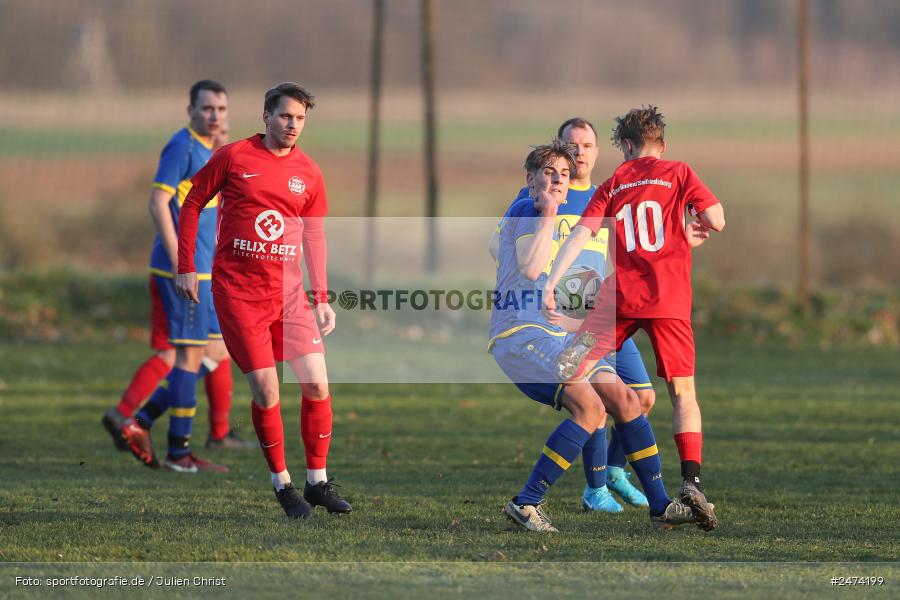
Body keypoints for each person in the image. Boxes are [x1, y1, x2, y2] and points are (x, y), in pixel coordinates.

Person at [490, 139, 698, 532]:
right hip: (520, 333)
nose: (557, 181)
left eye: (564, 175)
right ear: (530, 180)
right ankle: (526, 502)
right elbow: (532, 270)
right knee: (590, 408)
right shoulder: (526, 210)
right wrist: (549, 212)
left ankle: (660, 506)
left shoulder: (569, 222)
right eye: (548, 173)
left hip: (560, 334)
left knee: (627, 399)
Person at [174, 82, 352, 518]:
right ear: (266, 116)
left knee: (316, 384)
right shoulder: (234, 157)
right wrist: (185, 266)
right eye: (286, 116)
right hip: (238, 295)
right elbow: (193, 201)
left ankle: (317, 482)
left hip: (290, 298)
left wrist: (322, 296)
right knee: (268, 390)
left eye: (300, 119)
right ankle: (283, 485)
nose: (293, 125)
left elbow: (314, 233)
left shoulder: (309, 172)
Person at [544, 106, 724, 531]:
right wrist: (689, 228)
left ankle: (571, 475)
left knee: (570, 369)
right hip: (670, 301)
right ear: (661, 143)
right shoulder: (679, 172)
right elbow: (716, 219)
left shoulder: (615, 182)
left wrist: (553, 282)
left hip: (619, 299)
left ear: (625, 145)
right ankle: (691, 482)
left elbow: (582, 235)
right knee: (683, 394)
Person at [504, 118, 660, 513]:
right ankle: (594, 488)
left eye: (586, 146)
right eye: (571, 146)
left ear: (596, 152)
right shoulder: (536, 201)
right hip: (554, 324)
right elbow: (512, 254)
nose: (578, 153)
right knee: (592, 403)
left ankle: (622, 477)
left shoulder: (605, 197)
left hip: (596, 320)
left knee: (640, 398)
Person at [104, 80, 252, 474]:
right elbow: (157, 201)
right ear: (190, 110)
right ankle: (178, 454)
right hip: (185, 271)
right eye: (207, 108)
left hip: (206, 270)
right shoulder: (182, 146)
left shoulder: (209, 151)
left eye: (221, 109)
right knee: (187, 358)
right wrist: (181, 262)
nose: (214, 115)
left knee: (218, 352)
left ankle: (139, 423)